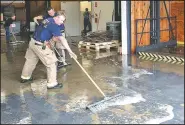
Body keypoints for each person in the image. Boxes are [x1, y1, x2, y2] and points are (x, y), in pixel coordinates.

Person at [20, 11, 77, 89]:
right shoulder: (54, 25)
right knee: (51, 63)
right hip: (40, 45)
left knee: (30, 61)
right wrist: (70, 51)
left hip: (32, 42)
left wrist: (47, 38)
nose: (62, 22)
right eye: (61, 20)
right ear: (57, 17)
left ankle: (25, 77)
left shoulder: (47, 20)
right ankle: (52, 84)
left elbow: (43, 30)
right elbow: (62, 39)